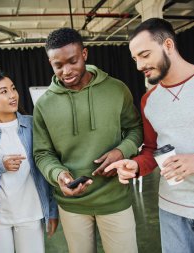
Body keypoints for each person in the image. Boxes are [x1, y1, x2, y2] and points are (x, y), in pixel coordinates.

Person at [105, 18, 194, 253]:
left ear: (169, 45)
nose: (139, 66)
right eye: (135, 59)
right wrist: (135, 166)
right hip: (171, 211)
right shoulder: (149, 100)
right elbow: (152, 150)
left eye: (145, 55)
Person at [33, 27, 143, 253]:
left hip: (115, 198)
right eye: (58, 65)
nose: (66, 70)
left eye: (72, 61)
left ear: (84, 54)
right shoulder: (44, 105)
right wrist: (58, 175)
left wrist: (122, 151)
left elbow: (135, 129)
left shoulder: (116, 89)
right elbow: (42, 153)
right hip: (72, 205)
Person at [0, 71, 59, 253]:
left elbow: (45, 169)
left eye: (13, 89)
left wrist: (52, 211)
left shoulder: (33, 125)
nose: (12, 95)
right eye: (3, 91)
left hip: (31, 214)